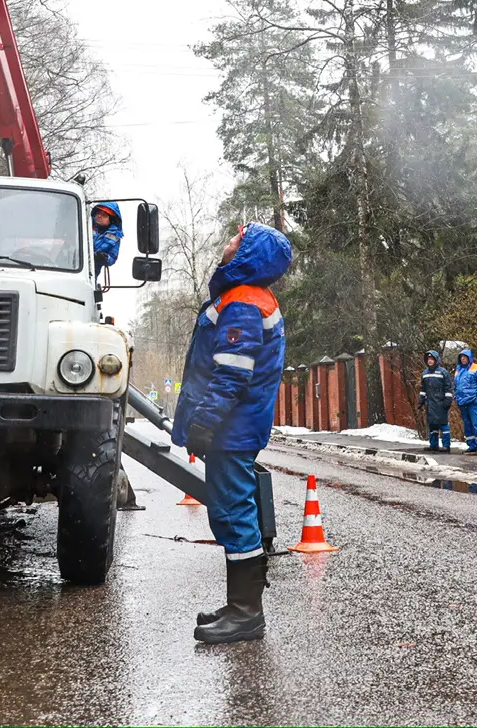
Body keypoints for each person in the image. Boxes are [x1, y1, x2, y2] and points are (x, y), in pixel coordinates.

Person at [172, 222, 292, 645]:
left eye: (237, 238)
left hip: (231, 429)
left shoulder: (242, 301)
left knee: (233, 514)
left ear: (249, 253)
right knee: (230, 512)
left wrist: (205, 422)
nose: (228, 242)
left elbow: (231, 374)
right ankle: (239, 605)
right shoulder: (243, 296)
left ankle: (246, 614)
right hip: (235, 427)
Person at [453, 349, 477, 453]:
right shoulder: (458, 370)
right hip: (462, 401)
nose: (463, 359)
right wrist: (456, 396)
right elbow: (456, 385)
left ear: (469, 358)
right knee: (467, 425)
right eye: (461, 357)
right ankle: (472, 445)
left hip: (473, 401)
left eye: (465, 357)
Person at [418, 350, 455, 452]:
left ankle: (446, 446)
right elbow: (423, 389)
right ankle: (433, 445)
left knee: (443, 425)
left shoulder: (443, 372)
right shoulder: (425, 373)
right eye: (428, 359)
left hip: (441, 403)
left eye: (432, 359)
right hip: (430, 404)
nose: (430, 361)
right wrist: (421, 400)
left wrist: (448, 400)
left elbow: (448, 387)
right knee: (432, 425)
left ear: (436, 360)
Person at [91, 202, 123, 274]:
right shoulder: (85, 222)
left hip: (91, 273)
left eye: (104, 215)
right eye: (98, 212)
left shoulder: (115, 236)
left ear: (111, 219)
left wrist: (105, 258)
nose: (99, 216)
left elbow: (113, 257)